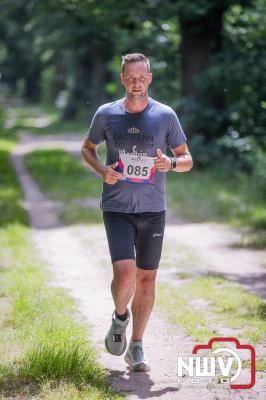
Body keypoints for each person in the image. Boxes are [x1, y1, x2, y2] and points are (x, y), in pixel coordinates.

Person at [81, 53, 193, 372]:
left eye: (141, 77)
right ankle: (120, 317)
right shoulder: (106, 114)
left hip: (153, 210)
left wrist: (170, 163)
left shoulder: (165, 116)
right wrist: (102, 169)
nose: (136, 82)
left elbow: (186, 159)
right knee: (125, 273)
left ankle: (137, 345)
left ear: (150, 78)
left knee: (146, 279)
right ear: (122, 79)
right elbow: (87, 148)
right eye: (130, 77)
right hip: (117, 207)